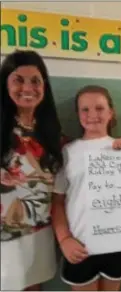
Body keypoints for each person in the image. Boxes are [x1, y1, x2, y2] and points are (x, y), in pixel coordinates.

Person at [51, 85, 121, 291]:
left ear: (111, 112)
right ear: (78, 114)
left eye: (99, 108)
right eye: (85, 109)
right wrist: (64, 239)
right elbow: (57, 201)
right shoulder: (68, 151)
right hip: (80, 245)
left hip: (117, 243)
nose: (92, 115)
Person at [0, 50, 66, 291]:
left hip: (40, 233)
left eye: (35, 81)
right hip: (4, 237)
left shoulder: (52, 135)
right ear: (5, 84)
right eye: (18, 79)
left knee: (33, 286)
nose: (27, 87)